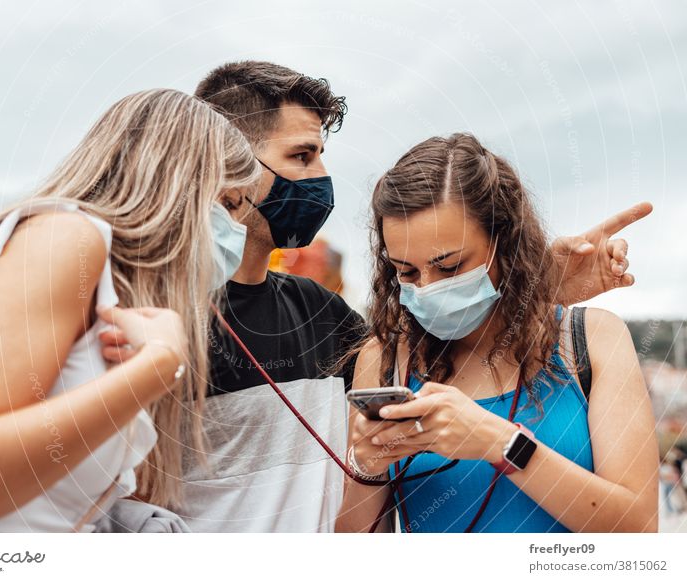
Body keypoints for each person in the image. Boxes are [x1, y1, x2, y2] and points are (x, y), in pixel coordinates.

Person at [101, 61, 650, 533]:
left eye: (450, 266)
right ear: (228, 166)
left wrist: (531, 285)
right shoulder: (148, 319)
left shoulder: (325, 316)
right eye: (301, 156)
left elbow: (463, 331)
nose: (321, 178)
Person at [0, 89, 260, 532]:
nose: (235, 230)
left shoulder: (101, 293)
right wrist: (157, 368)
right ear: (178, 186)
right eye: (230, 204)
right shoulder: (66, 238)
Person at [335, 133, 659, 533]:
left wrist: (499, 443)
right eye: (407, 271)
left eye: (450, 267)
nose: (427, 287)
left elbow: (639, 530)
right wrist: (365, 467)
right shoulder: (385, 360)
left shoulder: (590, 339)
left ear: (504, 242)